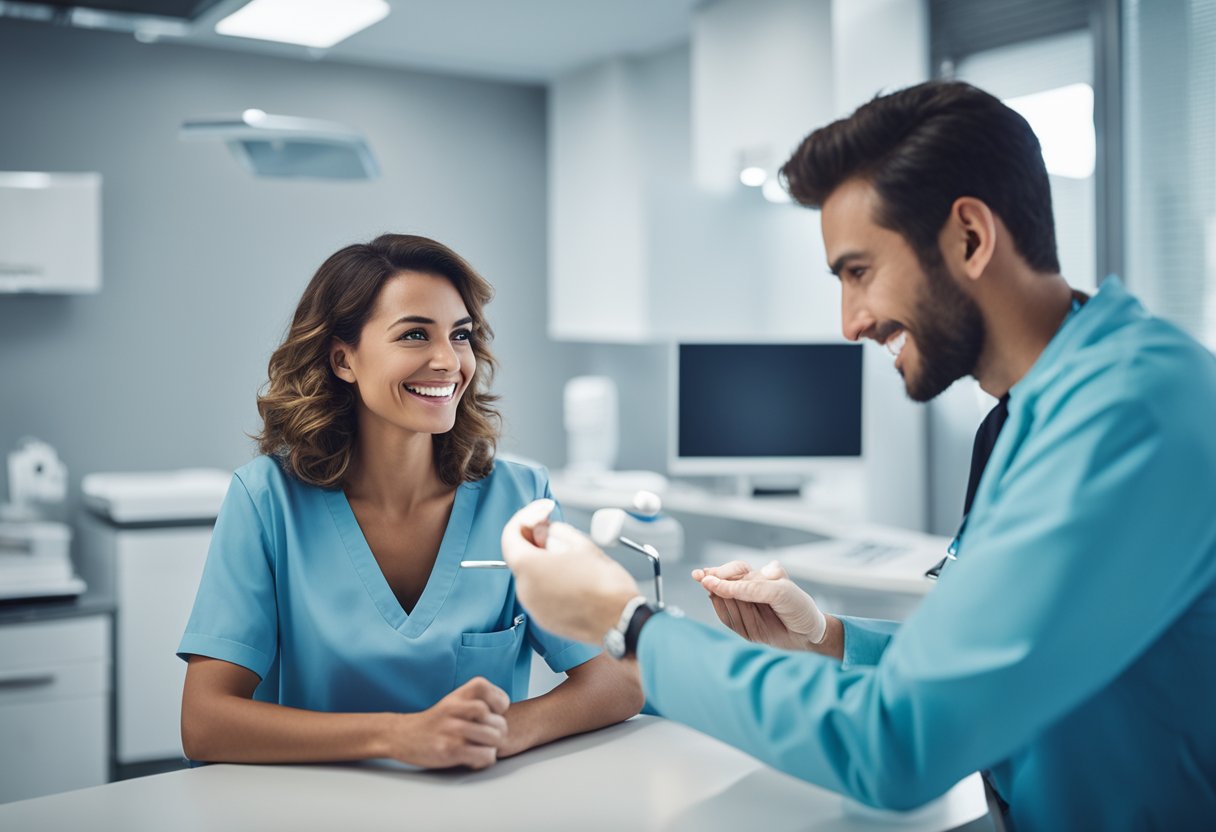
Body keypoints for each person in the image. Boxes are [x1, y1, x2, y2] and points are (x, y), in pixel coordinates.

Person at [500, 81, 1216, 830]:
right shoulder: (1023, 419)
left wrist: (627, 624)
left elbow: (899, 746)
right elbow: (995, 660)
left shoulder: (1130, 414)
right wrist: (827, 638)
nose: (851, 323)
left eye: (858, 272)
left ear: (969, 238)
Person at [178, 234, 642, 770]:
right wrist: (401, 737)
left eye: (461, 335)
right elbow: (206, 723)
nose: (448, 361)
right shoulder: (265, 500)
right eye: (416, 334)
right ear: (343, 359)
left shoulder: (520, 497)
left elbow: (617, 681)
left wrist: (500, 733)